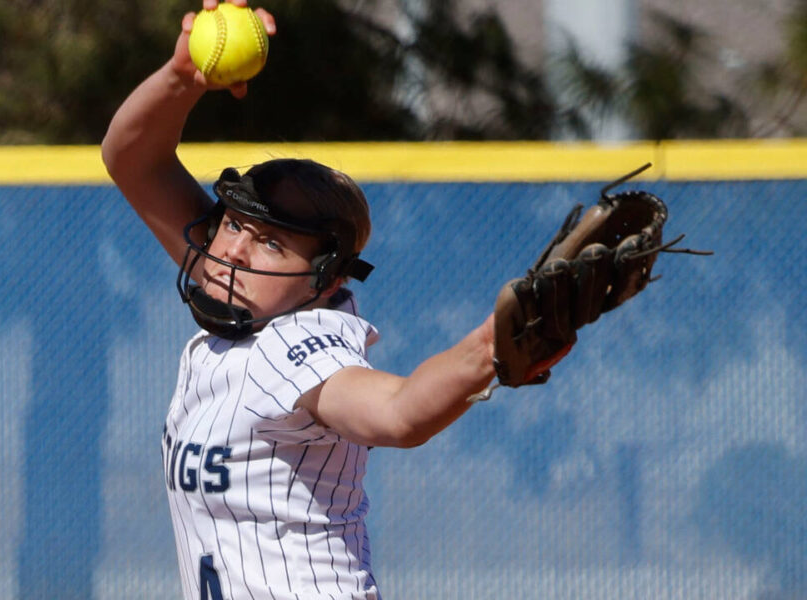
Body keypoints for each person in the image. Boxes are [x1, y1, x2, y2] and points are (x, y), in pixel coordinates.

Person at [101, 2, 562, 597]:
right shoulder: (239, 290)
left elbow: (398, 413)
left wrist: (489, 350)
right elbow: (130, 158)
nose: (236, 250)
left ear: (326, 281)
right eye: (235, 223)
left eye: (270, 242)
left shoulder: (297, 342)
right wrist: (181, 80)